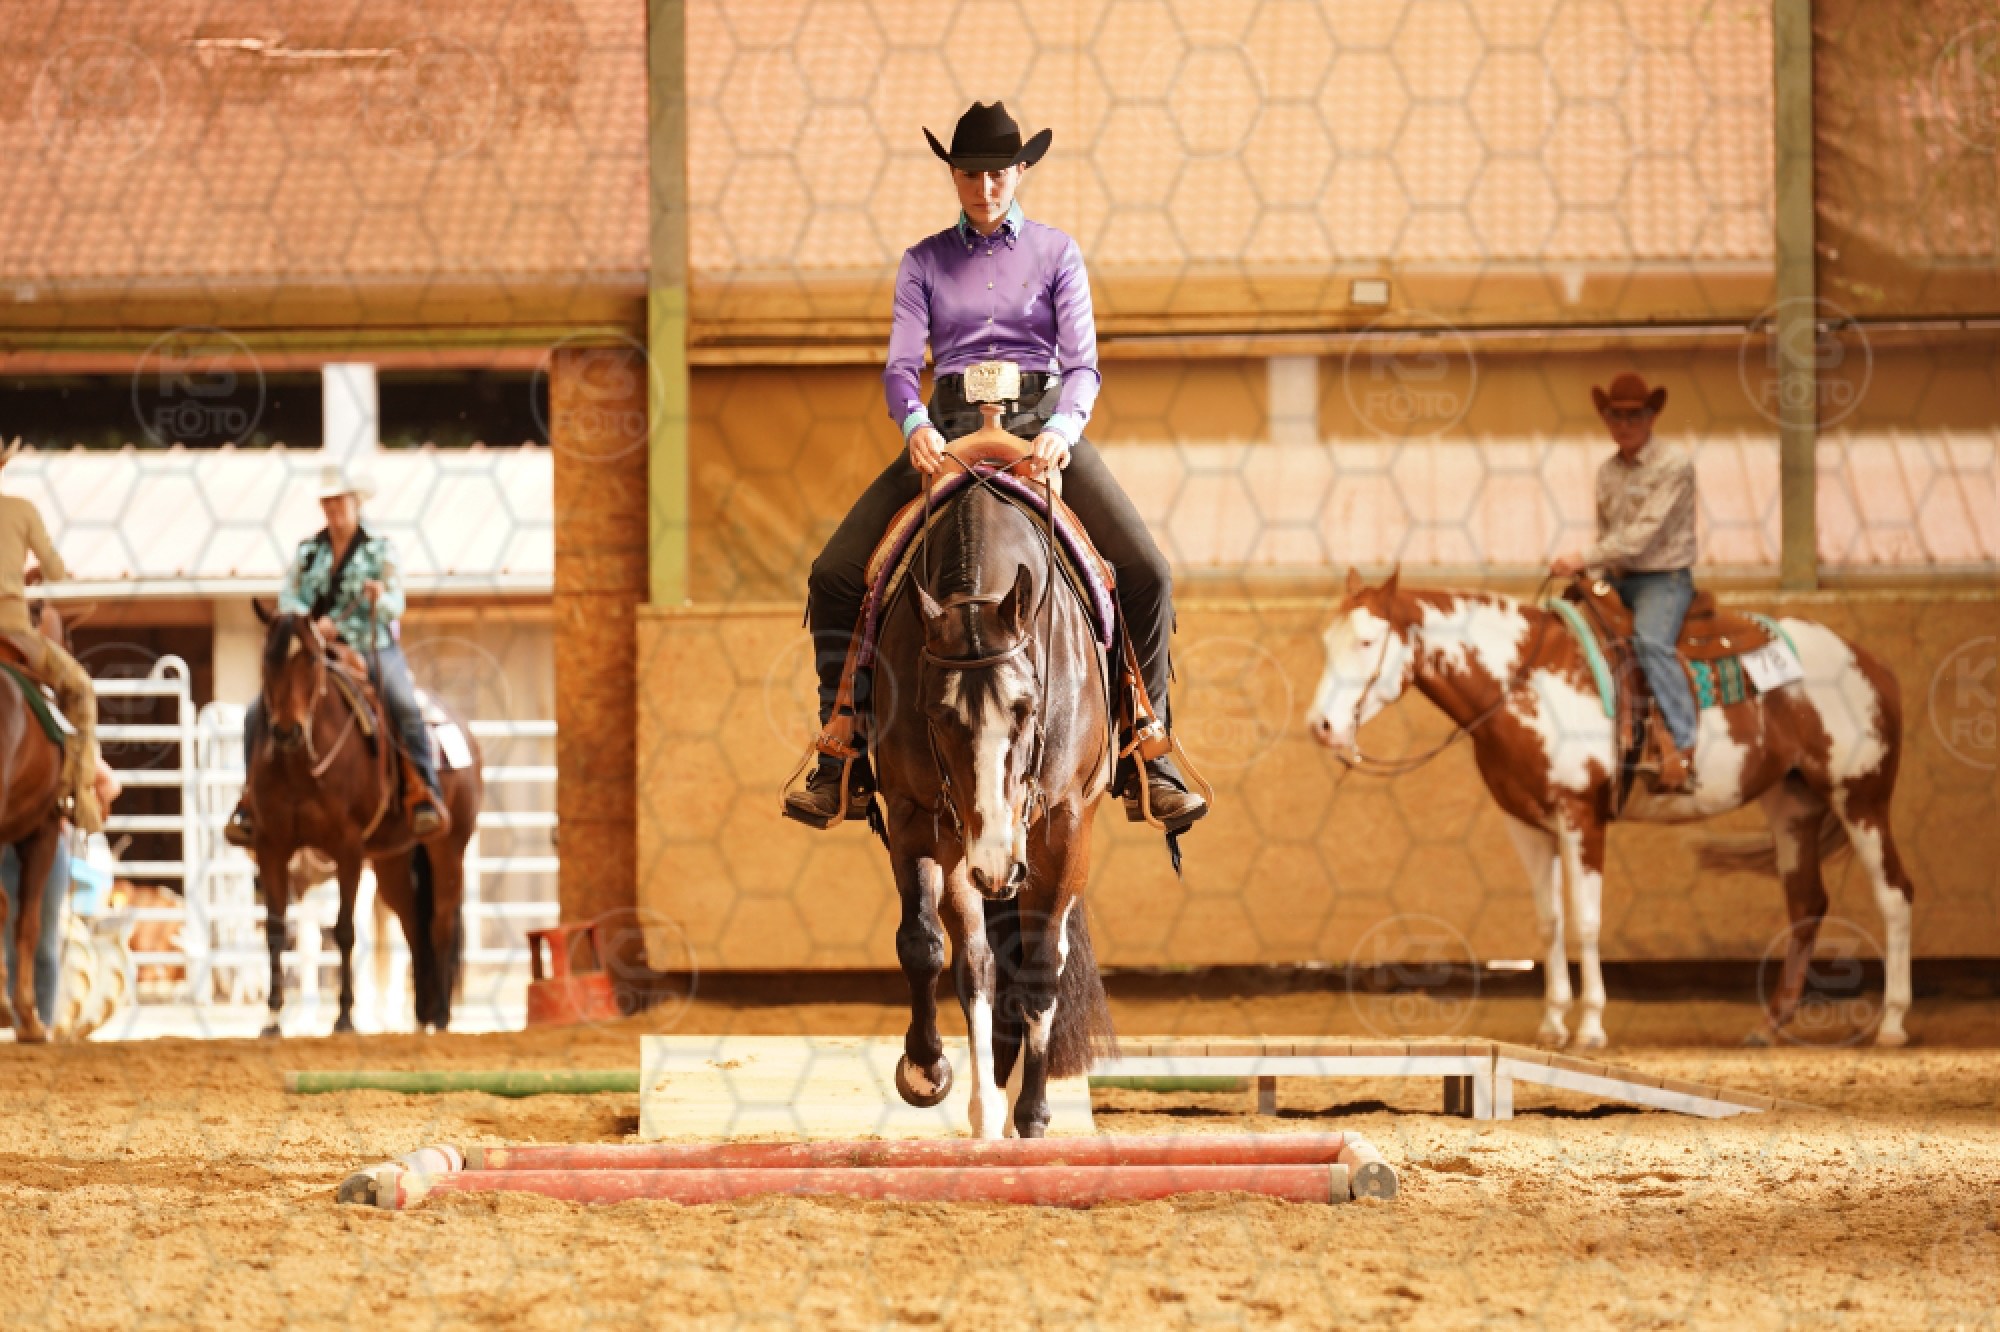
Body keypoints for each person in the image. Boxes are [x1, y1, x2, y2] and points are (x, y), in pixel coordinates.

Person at [785, 101, 1206, 831]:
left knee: (1147, 572)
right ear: (953, 175)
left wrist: (1064, 430)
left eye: (997, 174)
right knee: (835, 573)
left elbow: (1083, 366)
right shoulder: (922, 260)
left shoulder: (1057, 252)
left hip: (1040, 429)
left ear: (1020, 171)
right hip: (947, 432)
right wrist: (914, 424)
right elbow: (900, 367)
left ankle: (1148, 745)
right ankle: (841, 751)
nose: (984, 188)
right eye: (970, 174)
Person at [225, 466, 447, 846]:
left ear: (355, 503)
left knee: (402, 702)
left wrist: (378, 598)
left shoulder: (379, 550)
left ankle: (422, 790)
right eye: (327, 502)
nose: (333, 509)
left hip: (370, 644)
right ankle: (250, 799)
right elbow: (289, 599)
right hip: (315, 647)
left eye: (339, 501)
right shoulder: (309, 552)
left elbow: (396, 602)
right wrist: (310, 625)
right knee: (257, 711)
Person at [1551, 373, 1700, 793]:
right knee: (1570, 633)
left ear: (1652, 417)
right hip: (1619, 578)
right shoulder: (1607, 472)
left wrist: (1582, 558)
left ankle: (1683, 748)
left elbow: (1641, 535)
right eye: (1616, 416)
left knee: (1651, 644)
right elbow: (1608, 534)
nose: (1624, 424)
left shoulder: (1673, 465)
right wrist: (1592, 579)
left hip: (1663, 579)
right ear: (1606, 420)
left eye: (1634, 416)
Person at [0, 437, 103, 834]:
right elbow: (56, 572)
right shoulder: (22, 510)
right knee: (80, 689)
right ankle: (76, 793)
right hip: (13, 631)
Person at [0, 759, 120, 1031]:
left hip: (46, 844)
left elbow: (110, 783)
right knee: (19, 942)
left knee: (43, 939)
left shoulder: (57, 748)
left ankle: (44, 1022)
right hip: (12, 846)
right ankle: (24, 1022)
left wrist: (76, 801)